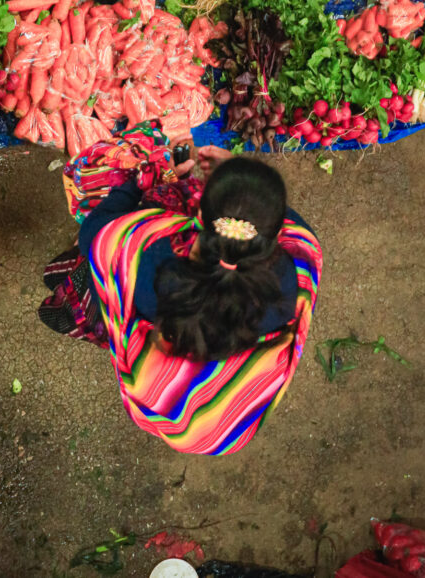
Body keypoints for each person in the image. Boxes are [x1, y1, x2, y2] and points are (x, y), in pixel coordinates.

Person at [39, 123, 323, 455]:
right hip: (230, 421)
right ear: (276, 235)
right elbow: (281, 223)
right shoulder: (299, 265)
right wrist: (242, 187)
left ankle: (79, 299)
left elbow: (95, 235)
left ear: (200, 212)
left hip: (165, 396)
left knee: (101, 266)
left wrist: (135, 186)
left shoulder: (149, 258)